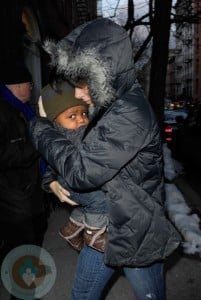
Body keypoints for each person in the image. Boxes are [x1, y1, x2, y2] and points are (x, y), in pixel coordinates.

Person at [30, 18, 181, 300]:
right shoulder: (104, 105)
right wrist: (51, 179)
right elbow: (75, 149)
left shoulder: (129, 113)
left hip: (134, 231)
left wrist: (39, 126)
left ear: (106, 72)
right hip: (104, 229)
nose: (76, 91)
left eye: (83, 80)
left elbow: (81, 172)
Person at [40, 80, 108, 252]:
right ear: (54, 121)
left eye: (84, 114)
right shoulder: (66, 135)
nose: (81, 120)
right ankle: (95, 234)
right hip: (71, 181)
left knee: (87, 204)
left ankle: (71, 228)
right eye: (72, 116)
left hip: (70, 179)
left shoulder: (59, 136)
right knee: (100, 201)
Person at [0, 61, 48, 299]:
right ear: (16, 86)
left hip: (29, 197)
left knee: (28, 253)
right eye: (29, 84)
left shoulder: (22, 109)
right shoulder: (4, 111)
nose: (31, 88)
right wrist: (35, 146)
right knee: (23, 255)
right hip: (14, 201)